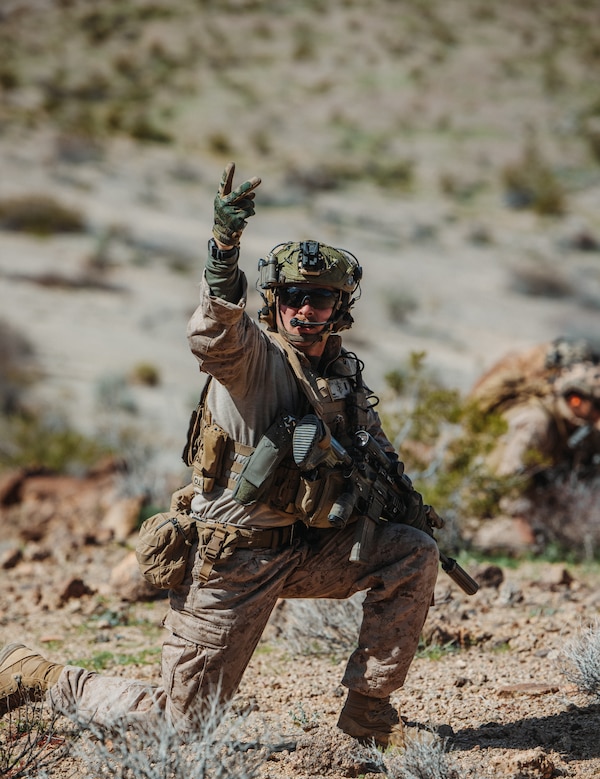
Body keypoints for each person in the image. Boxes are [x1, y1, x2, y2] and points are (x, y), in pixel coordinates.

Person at [0, 164, 440, 747]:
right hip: (231, 564)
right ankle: (42, 677)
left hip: (307, 549)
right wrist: (223, 249)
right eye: (297, 298)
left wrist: (400, 502)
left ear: (341, 307)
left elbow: (372, 453)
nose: (309, 310)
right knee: (178, 728)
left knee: (412, 553)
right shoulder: (252, 361)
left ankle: (369, 713)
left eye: (323, 299)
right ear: (276, 303)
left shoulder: (340, 375)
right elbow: (213, 334)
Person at [469, 338, 600, 479]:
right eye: (598, 405)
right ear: (575, 400)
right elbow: (505, 479)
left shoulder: (573, 425)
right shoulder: (537, 422)